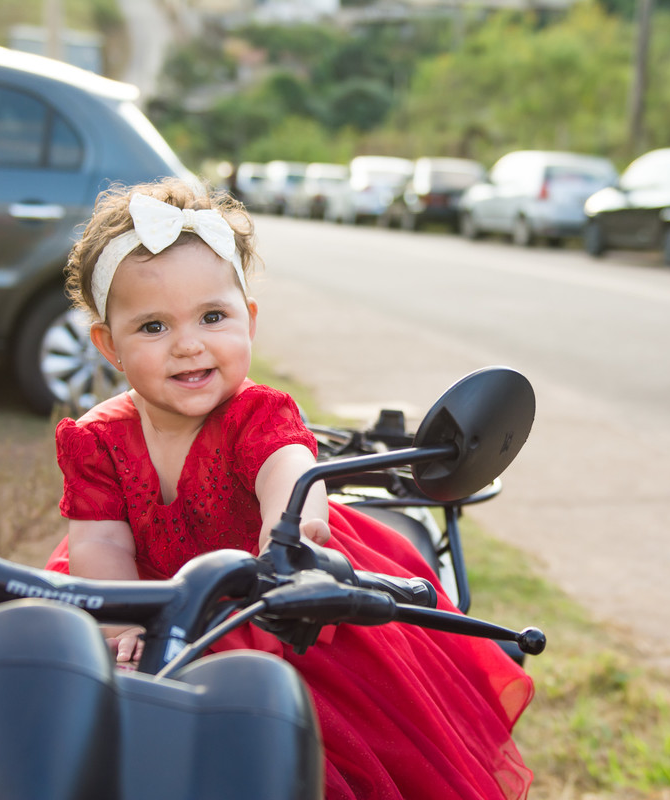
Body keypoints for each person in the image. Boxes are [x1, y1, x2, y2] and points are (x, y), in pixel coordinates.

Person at [43, 177, 533, 799]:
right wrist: (122, 622)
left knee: (308, 751)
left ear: (247, 320)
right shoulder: (96, 440)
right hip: (148, 601)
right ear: (109, 346)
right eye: (153, 327)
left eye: (212, 317)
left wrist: (293, 529)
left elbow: (289, 470)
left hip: (273, 598)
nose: (188, 344)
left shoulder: (255, 414)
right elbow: (101, 545)